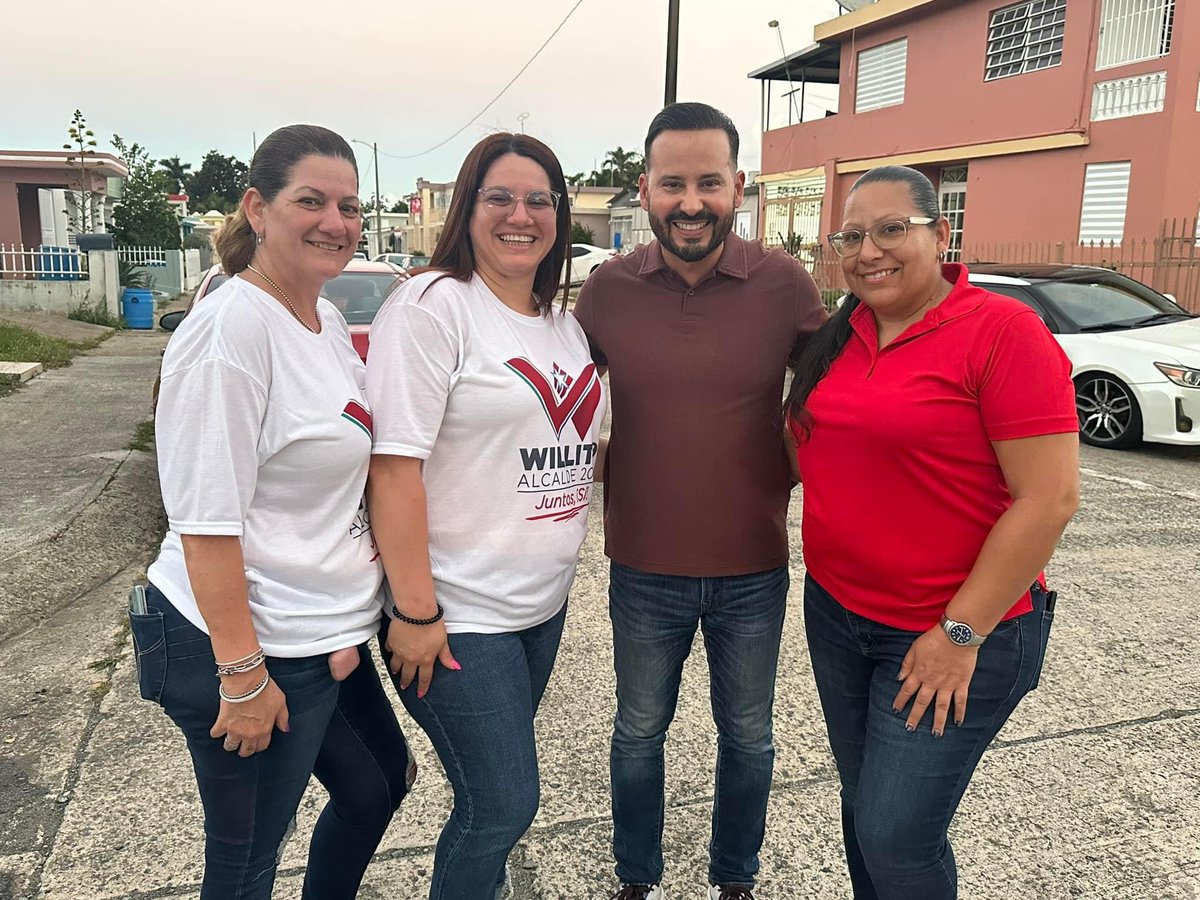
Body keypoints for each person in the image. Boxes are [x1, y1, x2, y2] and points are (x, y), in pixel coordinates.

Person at [131, 124, 413, 900]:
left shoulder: (319, 322)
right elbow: (204, 523)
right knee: (247, 862)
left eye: (349, 206)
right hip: (242, 639)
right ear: (258, 209)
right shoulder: (231, 332)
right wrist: (244, 678)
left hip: (316, 626)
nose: (335, 221)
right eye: (311, 201)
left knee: (378, 786)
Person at [786, 165, 1080, 900]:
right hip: (838, 615)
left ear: (940, 235)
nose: (869, 251)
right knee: (865, 816)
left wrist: (959, 636)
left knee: (897, 834)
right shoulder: (841, 333)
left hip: (950, 634)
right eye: (852, 236)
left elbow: (1048, 500)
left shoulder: (1003, 332)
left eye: (892, 229)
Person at [573, 102, 827, 900]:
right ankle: (635, 880)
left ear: (738, 186)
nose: (692, 201)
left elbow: (844, 396)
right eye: (673, 183)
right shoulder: (606, 291)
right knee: (637, 734)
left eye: (709, 182)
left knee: (748, 739)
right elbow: (547, 401)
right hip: (643, 567)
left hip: (754, 567)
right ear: (645, 190)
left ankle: (735, 880)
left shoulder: (786, 286)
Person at [365, 132, 606, 900]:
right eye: (498, 197)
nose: (520, 215)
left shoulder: (560, 324)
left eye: (539, 199)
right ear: (465, 208)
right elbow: (393, 468)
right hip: (456, 611)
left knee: (489, 798)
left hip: (541, 607)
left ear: (561, 216)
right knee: (503, 803)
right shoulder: (433, 306)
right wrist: (414, 610)